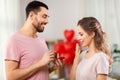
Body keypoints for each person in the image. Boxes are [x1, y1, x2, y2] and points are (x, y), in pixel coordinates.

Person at [5, 1, 63, 80]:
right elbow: (10, 77)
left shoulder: (41, 41)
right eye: (44, 16)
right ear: (31, 15)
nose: (47, 21)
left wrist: (51, 69)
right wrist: (41, 63)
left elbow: (37, 73)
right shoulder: (14, 40)